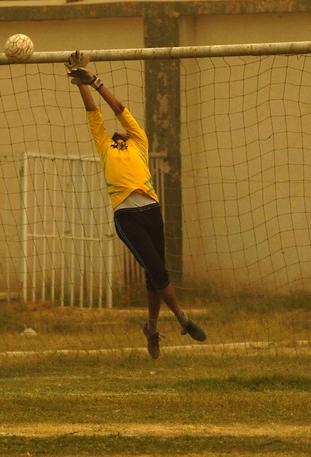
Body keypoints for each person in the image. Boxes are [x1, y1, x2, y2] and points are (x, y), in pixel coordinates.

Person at [66, 51, 207, 359]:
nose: (117, 131)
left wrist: (96, 81)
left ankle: (152, 328)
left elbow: (118, 109)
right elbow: (95, 114)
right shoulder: (104, 144)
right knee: (157, 270)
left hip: (152, 209)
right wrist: (81, 84)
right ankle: (183, 319)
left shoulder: (139, 140)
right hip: (127, 215)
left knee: (153, 274)